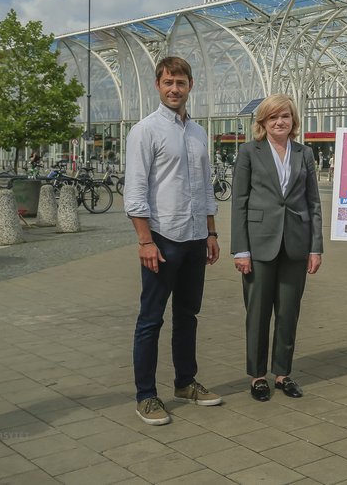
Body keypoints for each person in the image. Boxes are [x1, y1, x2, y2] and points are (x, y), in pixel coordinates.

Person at [124, 56, 222, 426]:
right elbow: (135, 191)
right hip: (163, 239)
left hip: (196, 237)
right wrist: (145, 241)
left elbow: (206, 187)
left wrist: (211, 232)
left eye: (180, 83)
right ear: (158, 85)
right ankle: (146, 395)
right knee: (151, 319)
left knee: (187, 315)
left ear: (190, 85)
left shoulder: (198, 133)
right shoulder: (145, 131)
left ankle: (185, 383)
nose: (174, 89)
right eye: (168, 83)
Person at [231, 94, 323, 402]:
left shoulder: (304, 153)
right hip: (259, 244)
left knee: (288, 311)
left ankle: (283, 373)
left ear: (293, 120)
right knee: (257, 313)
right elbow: (239, 202)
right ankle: (258, 376)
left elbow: (313, 202)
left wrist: (316, 248)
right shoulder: (249, 152)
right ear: (263, 122)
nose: (279, 122)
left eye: (284, 116)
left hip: (296, 244)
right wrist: (240, 249)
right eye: (273, 117)